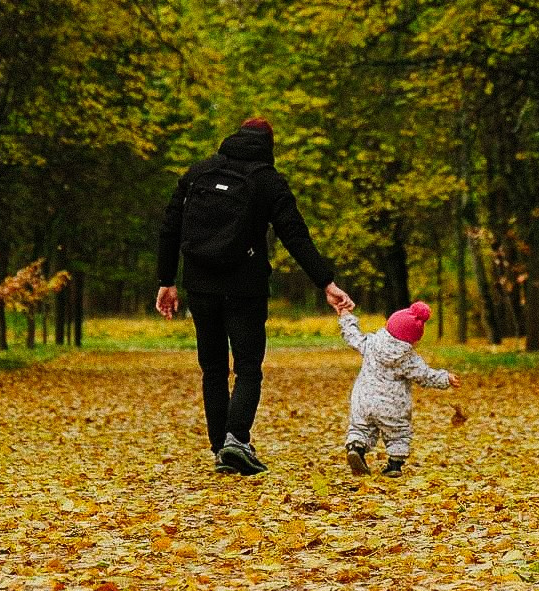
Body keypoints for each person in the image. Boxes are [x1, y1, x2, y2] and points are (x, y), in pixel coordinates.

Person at [157, 117, 355, 475]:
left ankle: (221, 447)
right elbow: (295, 235)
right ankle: (236, 439)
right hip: (244, 288)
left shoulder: (197, 172)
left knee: (213, 368)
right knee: (247, 366)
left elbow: (171, 226)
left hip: (200, 285)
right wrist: (326, 283)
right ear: (269, 145)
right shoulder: (268, 181)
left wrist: (166, 280)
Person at [336, 301, 457, 477]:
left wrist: (346, 317)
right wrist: (445, 378)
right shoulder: (408, 359)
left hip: (363, 401)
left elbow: (352, 336)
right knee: (399, 433)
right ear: (414, 340)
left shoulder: (371, 343)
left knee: (360, 428)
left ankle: (356, 447)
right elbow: (425, 376)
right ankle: (394, 465)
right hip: (393, 406)